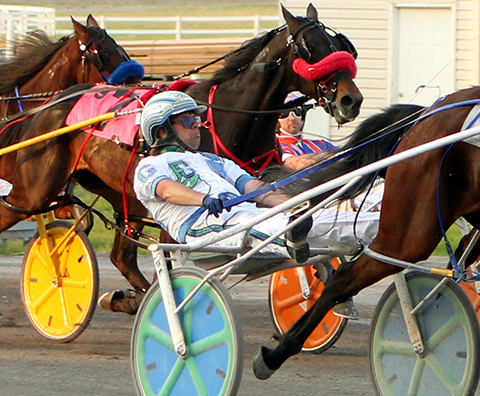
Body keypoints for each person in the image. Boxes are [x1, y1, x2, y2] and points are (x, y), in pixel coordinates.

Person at [100, 90, 380, 314]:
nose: (197, 127)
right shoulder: (149, 167)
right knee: (271, 225)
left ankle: (377, 227)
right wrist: (205, 199)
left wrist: (293, 203)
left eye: (198, 121)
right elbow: (167, 191)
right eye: (187, 121)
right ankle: (296, 234)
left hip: (245, 218)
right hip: (204, 227)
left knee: (312, 214)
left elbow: (255, 187)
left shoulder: (213, 160)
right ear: (162, 131)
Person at [277, 91, 339, 170]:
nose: (292, 118)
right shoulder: (276, 149)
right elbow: (298, 164)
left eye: (297, 112)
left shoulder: (322, 144)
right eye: (285, 113)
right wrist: (330, 156)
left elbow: (346, 155)